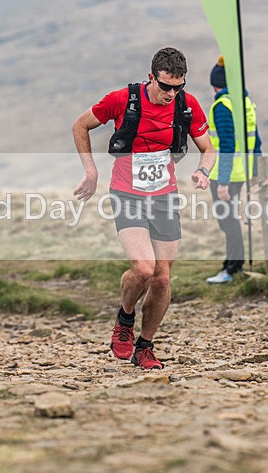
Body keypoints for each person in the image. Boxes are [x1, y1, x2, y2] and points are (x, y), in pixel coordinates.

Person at [73, 47, 215, 370]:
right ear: (152, 77)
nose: (171, 94)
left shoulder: (187, 104)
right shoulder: (123, 100)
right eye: (165, 86)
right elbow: (80, 126)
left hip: (164, 196)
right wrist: (91, 172)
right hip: (128, 193)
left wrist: (203, 171)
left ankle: (145, 347)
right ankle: (125, 319)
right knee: (144, 269)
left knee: (162, 279)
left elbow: (208, 148)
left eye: (178, 87)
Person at [204, 56, 263, 284]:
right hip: (242, 171)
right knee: (231, 221)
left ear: (216, 84)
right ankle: (230, 265)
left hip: (225, 174)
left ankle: (232, 269)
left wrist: (223, 182)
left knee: (228, 222)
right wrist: (256, 171)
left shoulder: (222, 106)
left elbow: (227, 146)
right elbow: (255, 139)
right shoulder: (245, 102)